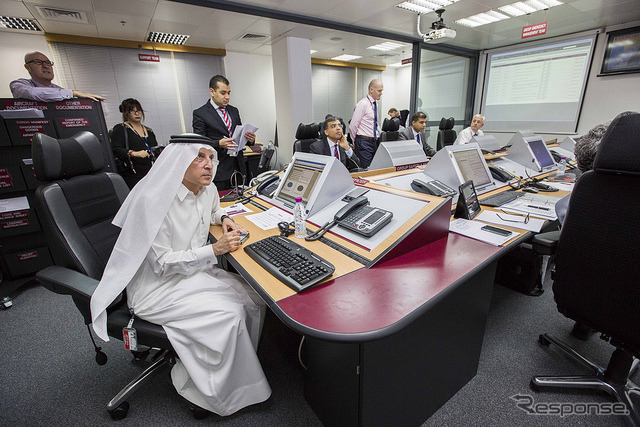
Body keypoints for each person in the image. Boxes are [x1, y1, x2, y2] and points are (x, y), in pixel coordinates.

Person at [90, 138, 271, 417]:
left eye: (210, 157)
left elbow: (213, 209)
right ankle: (209, 392)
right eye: (199, 157)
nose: (208, 164)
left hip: (193, 273)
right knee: (230, 313)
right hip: (156, 288)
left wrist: (224, 217)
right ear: (177, 161)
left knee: (255, 298)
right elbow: (161, 265)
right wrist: (214, 249)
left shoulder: (206, 188)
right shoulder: (154, 201)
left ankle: (238, 376)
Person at [193, 75, 256, 191]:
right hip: (219, 169)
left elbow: (239, 135)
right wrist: (218, 143)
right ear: (212, 91)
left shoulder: (234, 111)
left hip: (238, 168)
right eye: (223, 93)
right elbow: (199, 143)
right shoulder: (200, 114)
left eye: (229, 93)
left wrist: (249, 139)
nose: (227, 97)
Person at [10, 51, 104, 102]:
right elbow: (32, 93)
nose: (46, 66)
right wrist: (73, 93)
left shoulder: (60, 90)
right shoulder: (19, 85)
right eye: (38, 62)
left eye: (48, 63)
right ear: (28, 67)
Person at [111, 98, 158, 189]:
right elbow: (116, 149)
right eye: (132, 111)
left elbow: (154, 148)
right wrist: (134, 153)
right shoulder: (121, 129)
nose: (137, 114)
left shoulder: (149, 131)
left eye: (139, 111)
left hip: (151, 172)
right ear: (126, 113)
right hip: (132, 174)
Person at [349, 79, 383, 168]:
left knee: (373, 168)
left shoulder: (375, 104)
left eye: (382, 90)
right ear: (371, 90)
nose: (381, 93)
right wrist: (354, 141)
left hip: (373, 141)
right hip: (363, 141)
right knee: (366, 169)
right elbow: (353, 125)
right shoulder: (363, 103)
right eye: (379, 90)